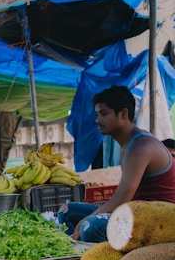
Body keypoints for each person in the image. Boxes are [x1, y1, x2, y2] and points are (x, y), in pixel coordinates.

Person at [58, 85, 175, 242]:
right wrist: (102, 207)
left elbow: (122, 198)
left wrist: (83, 222)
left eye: (104, 114)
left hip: (158, 219)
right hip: (134, 210)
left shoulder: (141, 147)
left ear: (123, 114)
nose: (97, 120)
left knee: (88, 227)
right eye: (97, 114)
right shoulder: (126, 144)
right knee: (67, 211)